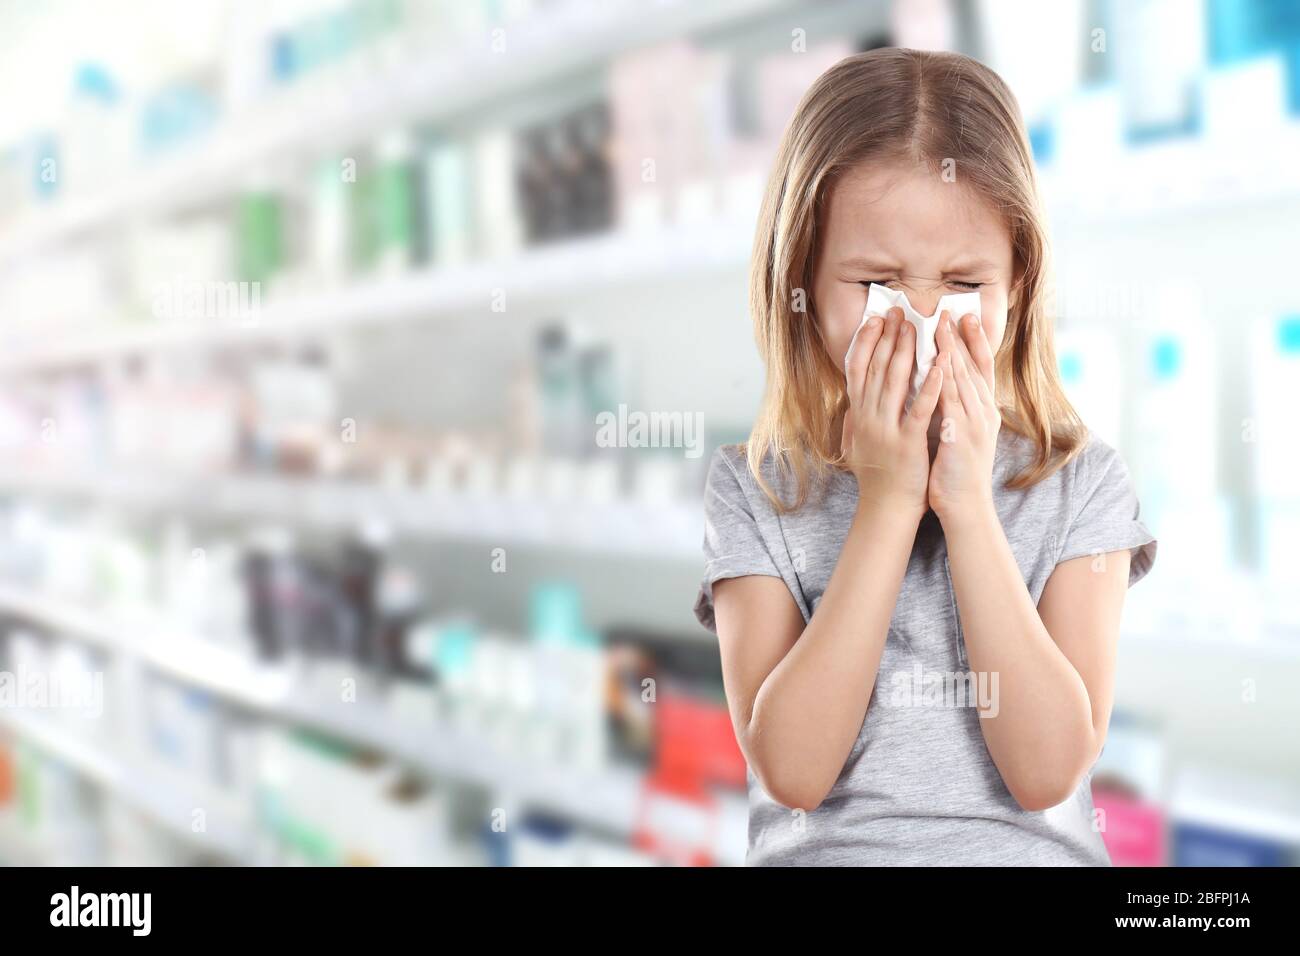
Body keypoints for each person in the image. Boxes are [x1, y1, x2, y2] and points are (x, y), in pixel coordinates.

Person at [693, 47, 1157, 866]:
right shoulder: (757, 488)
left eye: (962, 283)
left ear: (1018, 280)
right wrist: (886, 503)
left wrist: (969, 508)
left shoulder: (1080, 483)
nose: (921, 322)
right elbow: (794, 772)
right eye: (876, 283)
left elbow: (1048, 769)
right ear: (799, 277)